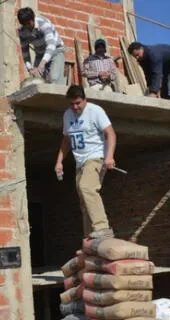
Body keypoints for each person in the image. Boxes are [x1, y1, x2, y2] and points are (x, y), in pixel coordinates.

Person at [55, 85, 117, 239]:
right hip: (80, 163)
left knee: (87, 187)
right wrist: (59, 162)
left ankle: (102, 227)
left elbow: (111, 134)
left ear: (85, 99)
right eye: (72, 104)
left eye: (78, 103)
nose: (75, 107)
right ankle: (90, 236)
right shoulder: (67, 115)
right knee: (84, 202)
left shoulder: (95, 111)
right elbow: (67, 140)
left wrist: (109, 156)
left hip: (96, 158)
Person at [18, 7, 66, 84]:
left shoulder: (43, 23)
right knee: (36, 80)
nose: (27, 26)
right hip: (40, 54)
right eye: (24, 24)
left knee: (54, 78)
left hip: (56, 50)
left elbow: (51, 45)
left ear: (33, 19)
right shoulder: (22, 31)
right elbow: (25, 52)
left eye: (28, 23)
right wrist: (30, 69)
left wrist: (41, 65)